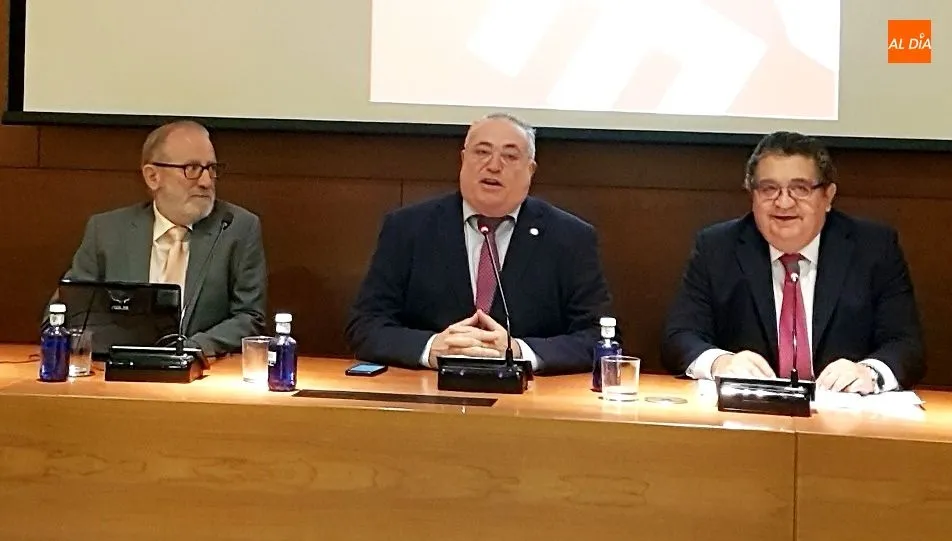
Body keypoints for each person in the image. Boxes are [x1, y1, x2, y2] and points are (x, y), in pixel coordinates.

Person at [345, 113, 614, 374]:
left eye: (509, 156)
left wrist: (519, 351)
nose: (494, 165)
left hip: (527, 402)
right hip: (428, 397)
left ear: (530, 170)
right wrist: (431, 348)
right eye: (482, 152)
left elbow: (599, 337)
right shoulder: (408, 228)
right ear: (463, 160)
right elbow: (365, 326)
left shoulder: (569, 237)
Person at [662, 131, 924, 393]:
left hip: (844, 418)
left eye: (800, 189)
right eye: (769, 189)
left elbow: (906, 345)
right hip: (746, 416)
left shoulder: (873, 248)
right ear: (752, 194)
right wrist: (721, 362)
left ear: (828, 196)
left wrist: (869, 372)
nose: (784, 202)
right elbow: (680, 337)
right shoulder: (717, 248)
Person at [56, 120, 267, 357]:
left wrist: (193, 348)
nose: (206, 181)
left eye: (211, 169)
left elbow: (250, 318)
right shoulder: (107, 231)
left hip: (201, 374)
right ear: (152, 176)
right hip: (120, 372)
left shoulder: (236, 228)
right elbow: (63, 312)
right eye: (192, 169)